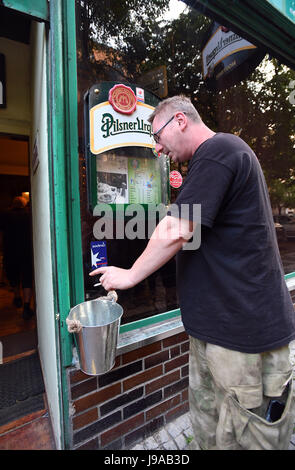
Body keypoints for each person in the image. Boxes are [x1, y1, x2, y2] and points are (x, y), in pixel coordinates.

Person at [89, 95, 295, 450]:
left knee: (247, 438)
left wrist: (130, 275)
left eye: (157, 137)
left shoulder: (220, 151)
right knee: (211, 433)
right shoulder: (213, 161)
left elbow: (177, 230)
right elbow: (195, 233)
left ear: (180, 121)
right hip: (216, 331)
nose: (157, 148)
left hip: (240, 335)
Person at [0, 196, 34, 320]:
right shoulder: (29, 215)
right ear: (24, 205)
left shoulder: (5, 215)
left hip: (10, 251)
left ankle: (17, 296)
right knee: (27, 278)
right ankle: (26, 306)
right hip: (26, 251)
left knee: (13, 275)